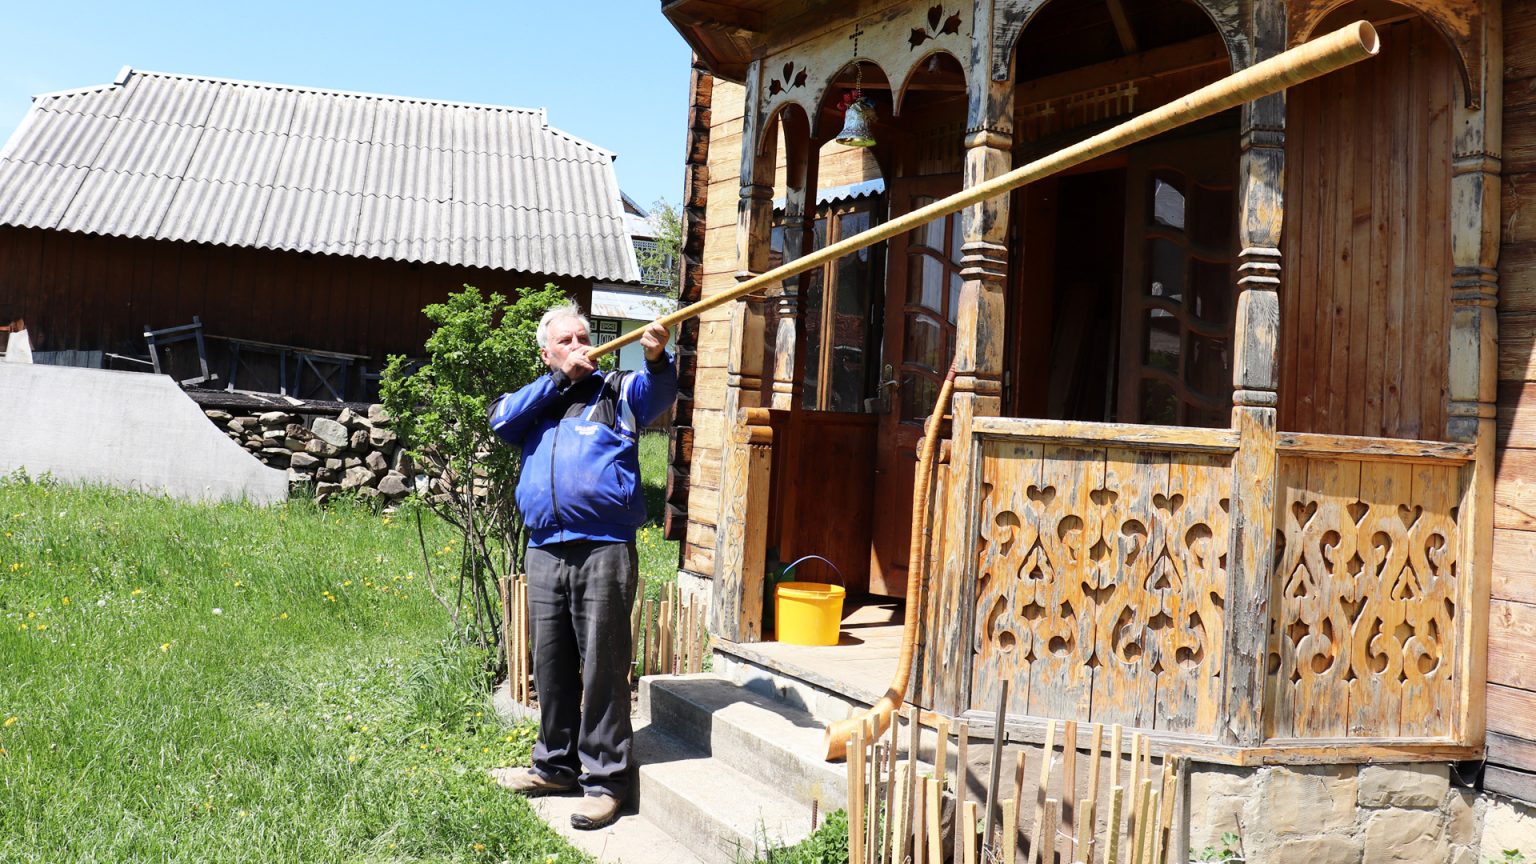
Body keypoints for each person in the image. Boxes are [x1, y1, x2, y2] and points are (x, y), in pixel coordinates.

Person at [488, 301, 675, 830]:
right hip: (545, 549)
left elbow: (659, 393)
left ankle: (606, 781)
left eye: (584, 337)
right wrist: (555, 381)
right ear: (546, 352)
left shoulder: (617, 389)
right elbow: (498, 419)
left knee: (603, 666)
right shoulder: (533, 404)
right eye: (567, 341)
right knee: (550, 665)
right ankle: (554, 766)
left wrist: (657, 359)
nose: (581, 347)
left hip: (603, 548)